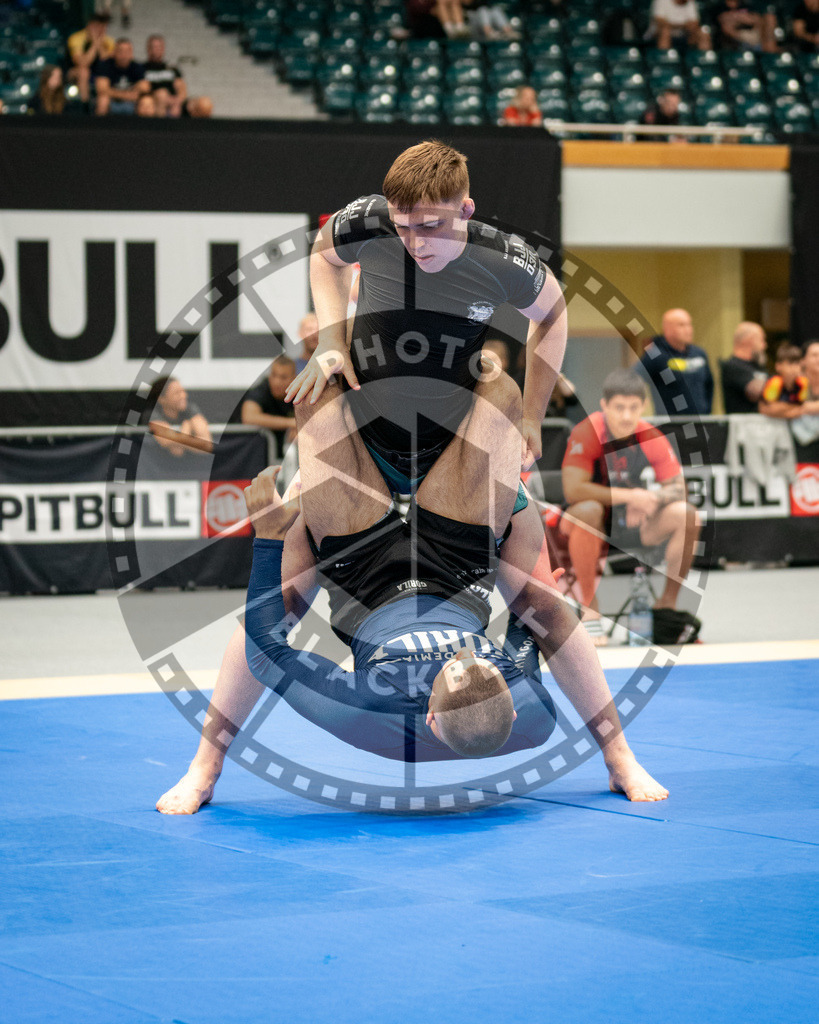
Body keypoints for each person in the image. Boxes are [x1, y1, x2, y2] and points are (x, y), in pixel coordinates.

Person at [157, 140, 667, 811]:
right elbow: (322, 257)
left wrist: (531, 426)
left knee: (538, 585)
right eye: (403, 226)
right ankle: (204, 768)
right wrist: (334, 341)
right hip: (368, 446)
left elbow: (553, 316)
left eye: (430, 225)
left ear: (465, 209)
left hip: (454, 453)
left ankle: (618, 754)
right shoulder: (367, 222)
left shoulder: (503, 259)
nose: (415, 240)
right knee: (277, 583)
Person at [242, 381, 557, 762]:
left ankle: (342, 348)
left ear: (430, 719)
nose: (459, 657)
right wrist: (540, 597)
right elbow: (525, 631)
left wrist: (268, 538)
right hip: (456, 573)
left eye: (453, 671)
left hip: (364, 581)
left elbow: (265, 653)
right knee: (501, 391)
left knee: (318, 395)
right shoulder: (533, 713)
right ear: (512, 705)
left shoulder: (365, 710)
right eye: (482, 665)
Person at [560, 370, 701, 645]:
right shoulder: (587, 431)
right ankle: (590, 610)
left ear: (644, 406)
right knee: (590, 509)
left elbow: (678, 487)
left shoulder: (649, 434)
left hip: (630, 526)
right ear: (604, 406)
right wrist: (632, 496)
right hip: (583, 525)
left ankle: (666, 606)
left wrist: (651, 499)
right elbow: (573, 490)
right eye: (619, 408)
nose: (626, 416)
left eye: (633, 408)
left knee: (687, 514)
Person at [640, 308, 714, 415]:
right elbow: (634, 380)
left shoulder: (699, 354)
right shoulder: (655, 355)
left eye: (689, 324)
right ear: (667, 329)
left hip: (701, 423)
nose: (688, 330)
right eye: (681, 325)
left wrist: (707, 411)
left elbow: (709, 385)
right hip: (671, 426)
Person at [241, 356, 297, 459]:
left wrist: (301, 429)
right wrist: (292, 423)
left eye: (283, 377)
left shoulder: (300, 392)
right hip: (254, 456)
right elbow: (249, 418)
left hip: (288, 457)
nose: (277, 382)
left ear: (294, 378)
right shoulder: (261, 390)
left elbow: (313, 420)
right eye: (274, 375)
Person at [145, 375, 211, 456]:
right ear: (161, 399)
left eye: (183, 391)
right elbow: (166, 441)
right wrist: (186, 430)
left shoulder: (190, 409)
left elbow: (206, 445)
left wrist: (178, 441)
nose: (183, 396)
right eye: (177, 393)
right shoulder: (153, 413)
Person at [66, 11, 115, 105]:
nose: (101, 30)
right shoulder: (76, 38)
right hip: (75, 72)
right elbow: (82, 63)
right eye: (98, 26)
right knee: (84, 71)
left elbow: (106, 61)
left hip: (99, 72)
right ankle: (85, 105)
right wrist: (95, 45)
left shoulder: (109, 41)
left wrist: (98, 43)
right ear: (90, 25)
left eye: (103, 27)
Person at [720, 320, 769, 414]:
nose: (764, 345)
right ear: (749, 340)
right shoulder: (732, 366)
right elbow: (754, 393)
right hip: (742, 425)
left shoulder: (758, 366)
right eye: (762, 340)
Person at [94, 38, 149, 116]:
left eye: (127, 51)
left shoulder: (137, 67)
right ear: (114, 52)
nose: (124, 55)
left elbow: (145, 87)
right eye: (120, 51)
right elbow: (101, 89)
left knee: (147, 102)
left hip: (132, 102)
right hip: (112, 100)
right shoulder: (105, 65)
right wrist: (127, 95)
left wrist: (133, 93)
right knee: (103, 100)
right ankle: (99, 127)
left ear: (131, 53)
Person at [759, 343, 809, 419]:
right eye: (790, 363)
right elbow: (772, 408)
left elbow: (804, 406)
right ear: (778, 366)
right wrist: (795, 410)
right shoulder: (775, 382)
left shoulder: (803, 383)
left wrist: (783, 408)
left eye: (797, 363)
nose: (794, 368)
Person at [142, 34, 186, 118]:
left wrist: (176, 102)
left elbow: (182, 90)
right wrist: (165, 99)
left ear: (163, 49)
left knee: (204, 103)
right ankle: (161, 129)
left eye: (159, 47)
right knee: (161, 94)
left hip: (173, 102)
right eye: (153, 47)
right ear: (148, 49)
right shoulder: (141, 68)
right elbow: (142, 89)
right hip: (151, 102)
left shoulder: (172, 69)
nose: (156, 50)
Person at [713, 0, 778, 52]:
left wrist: (738, 18)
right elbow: (723, 20)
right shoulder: (720, 6)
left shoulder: (747, 4)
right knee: (727, 28)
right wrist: (741, 18)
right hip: (733, 38)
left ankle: (767, 50)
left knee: (768, 20)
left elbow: (756, 20)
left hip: (751, 34)